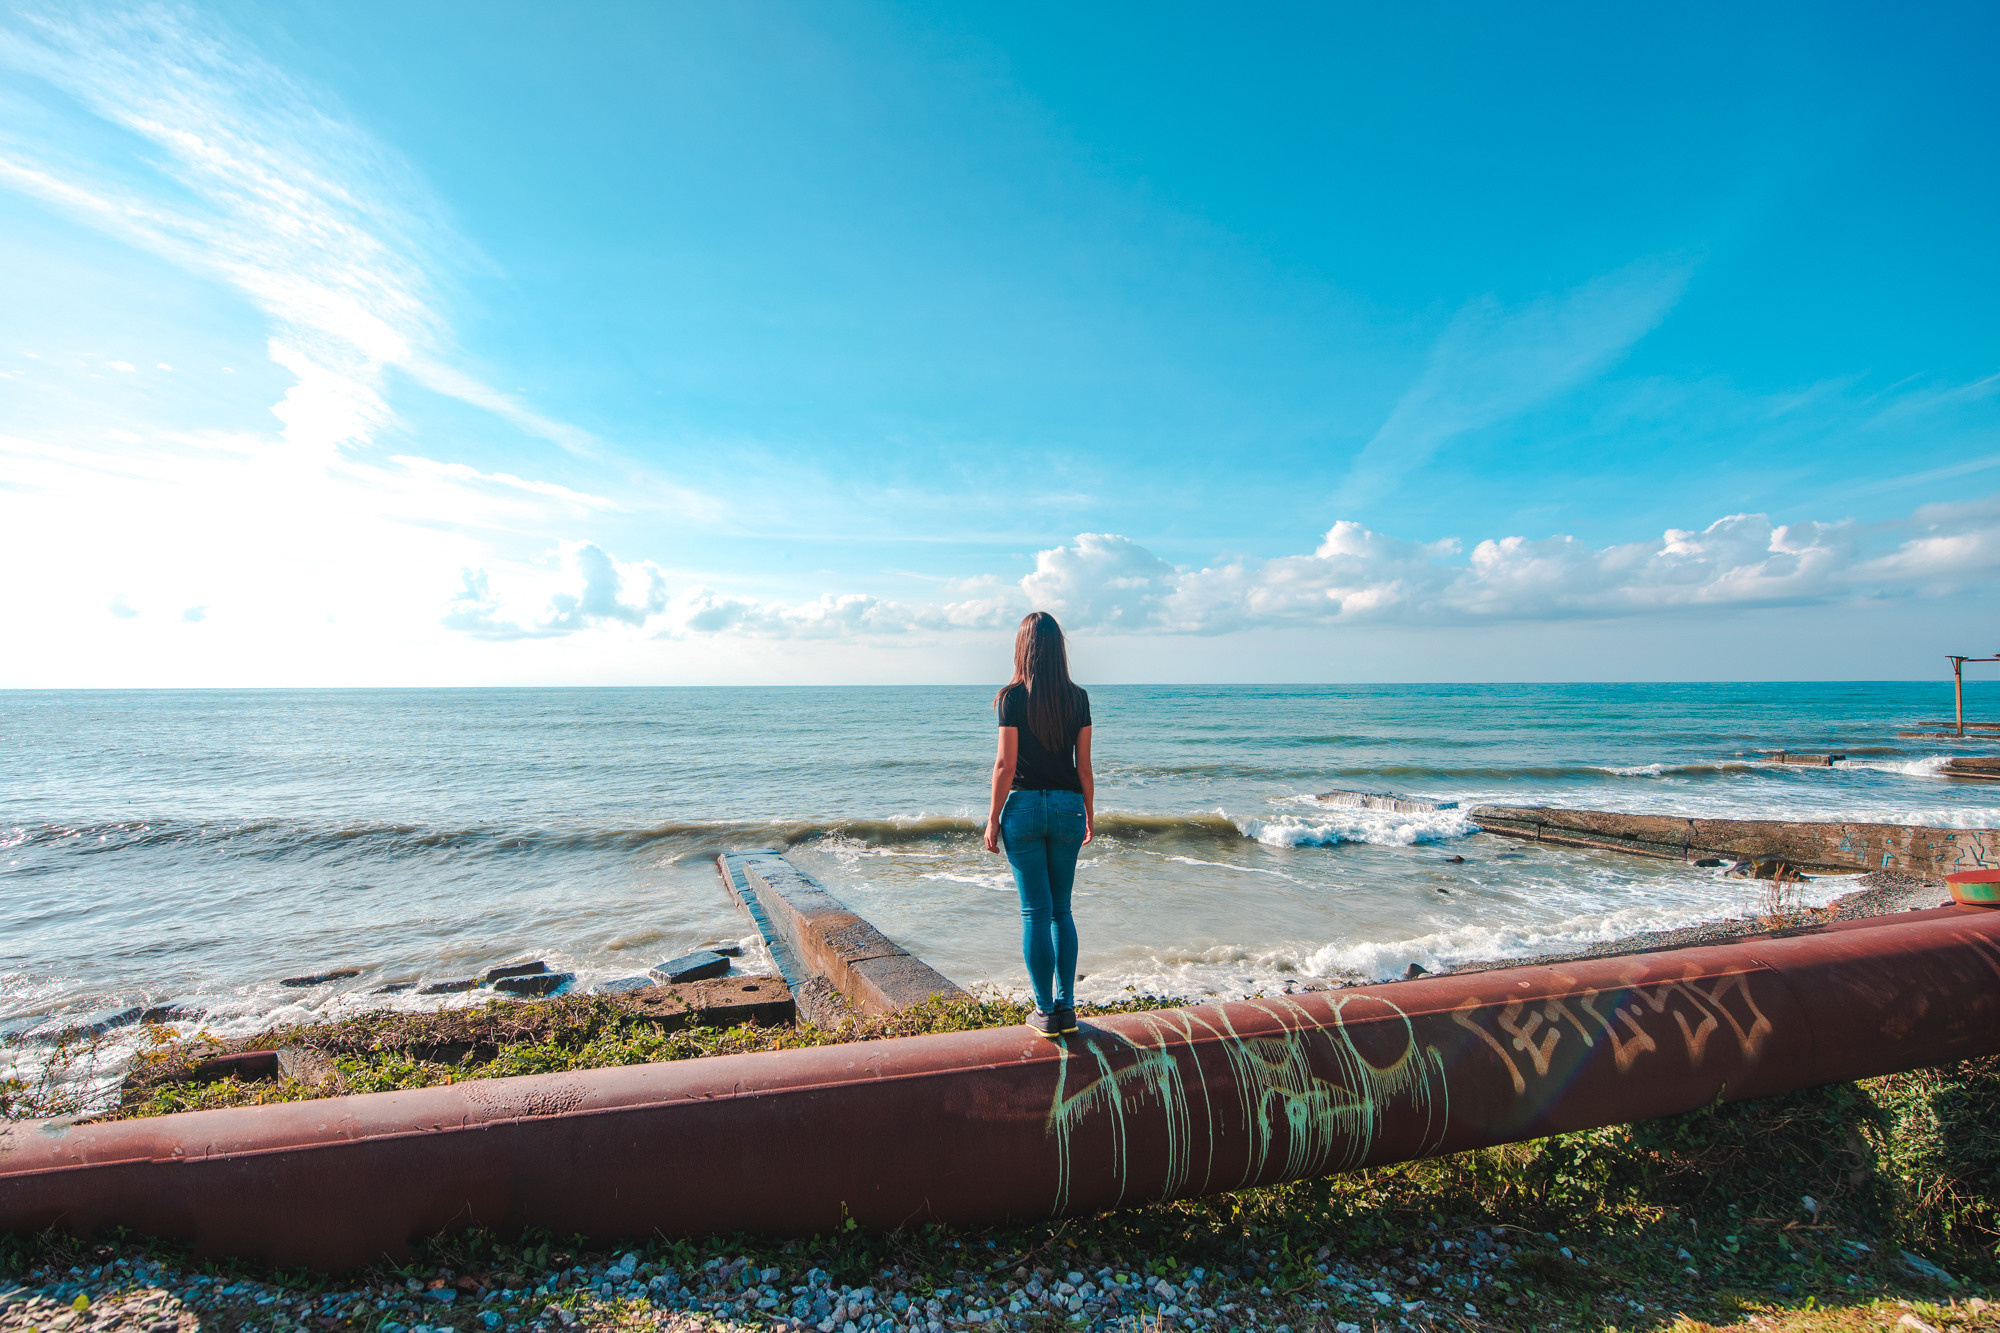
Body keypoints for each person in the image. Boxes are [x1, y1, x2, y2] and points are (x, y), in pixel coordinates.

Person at [983, 611, 1093, 1039]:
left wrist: (992, 819)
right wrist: (1089, 812)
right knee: (1061, 910)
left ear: (1023, 647)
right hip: (1068, 808)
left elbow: (1005, 765)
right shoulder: (1078, 698)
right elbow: (1083, 766)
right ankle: (1067, 1008)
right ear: (1059, 648)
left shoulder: (1011, 697)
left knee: (1035, 912)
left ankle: (1044, 1011)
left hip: (1024, 808)